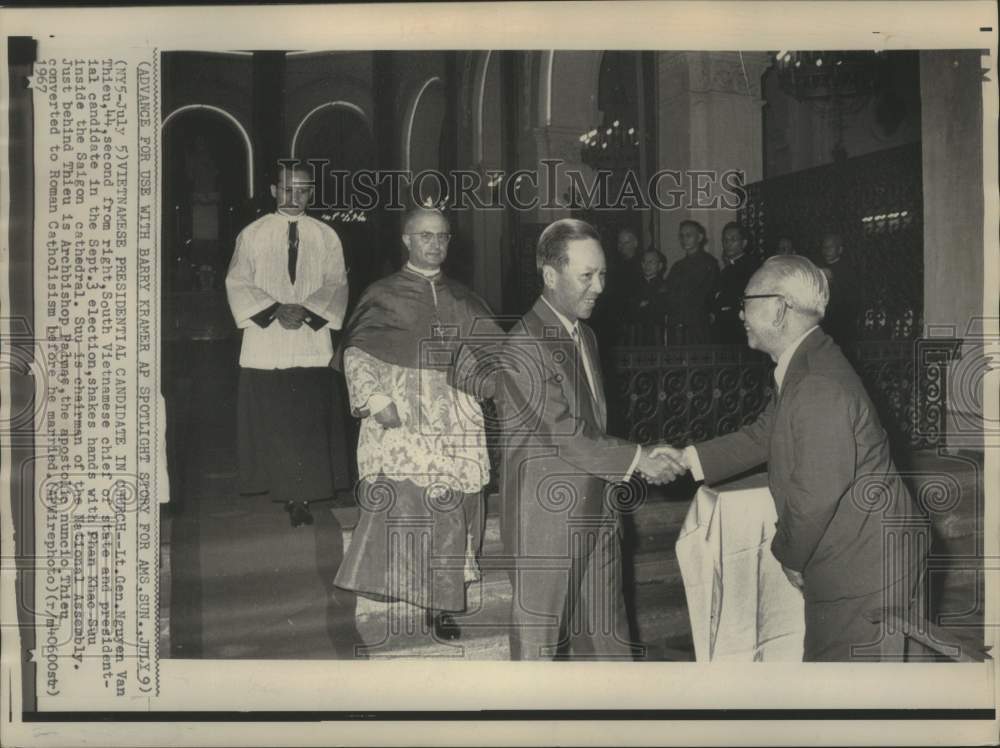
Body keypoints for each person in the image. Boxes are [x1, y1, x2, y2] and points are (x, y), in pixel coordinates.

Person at [655, 255, 924, 661]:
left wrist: (790, 554)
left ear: (779, 309)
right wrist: (688, 458)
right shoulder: (805, 361)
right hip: (862, 557)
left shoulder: (815, 382)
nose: (738, 312)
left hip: (866, 569)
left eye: (746, 301)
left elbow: (816, 495)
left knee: (850, 692)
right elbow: (765, 433)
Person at [498, 218, 685, 661]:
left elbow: (593, 426)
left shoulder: (586, 335)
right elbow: (563, 432)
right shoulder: (524, 343)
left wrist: (638, 454)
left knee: (610, 643)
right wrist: (638, 458)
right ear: (550, 275)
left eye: (603, 274)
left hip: (599, 507)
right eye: (587, 276)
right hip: (545, 521)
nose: (599, 286)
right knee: (537, 653)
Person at [334, 207, 502, 642]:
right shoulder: (382, 293)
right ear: (407, 240)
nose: (435, 244)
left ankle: (440, 604)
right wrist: (375, 399)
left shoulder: (464, 298)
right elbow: (356, 352)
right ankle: (405, 588)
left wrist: (489, 382)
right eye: (425, 236)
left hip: (456, 420)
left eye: (442, 236)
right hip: (403, 418)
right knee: (409, 506)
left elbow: (492, 358)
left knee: (449, 513)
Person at [225, 161, 349, 521]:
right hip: (267, 340)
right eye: (287, 189)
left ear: (312, 192)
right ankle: (282, 488)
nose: (295, 197)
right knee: (275, 418)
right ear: (274, 191)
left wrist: (307, 312)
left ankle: (304, 496)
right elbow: (238, 280)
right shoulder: (252, 234)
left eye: (304, 189)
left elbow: (336, 282)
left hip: (310, 339)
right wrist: (274, 310)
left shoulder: (327, 236)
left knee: (308, 420)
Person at [663, 220, 719, 344]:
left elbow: (706, 293)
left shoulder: (709, 263)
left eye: (689, 235)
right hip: (676, 322)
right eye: (681, 236)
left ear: (699, 237)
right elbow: (667, 290)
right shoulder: (677, 265)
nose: (684, 240)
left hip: (697, 323)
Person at [712, 222, 760, 344]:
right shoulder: (726, 270)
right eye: (725, 240)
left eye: (733, 239)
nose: (728, 244)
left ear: (743, 243)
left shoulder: (752, 266)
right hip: (725, 328)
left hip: (741, 328)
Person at [818, 232, 860, 347]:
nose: (826, 250)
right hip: (822, 323)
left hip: (841, 323)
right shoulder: (818, 267)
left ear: (840, 250)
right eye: (824, 247)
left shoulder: (848, 270)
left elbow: (850, 298)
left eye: (830, 247)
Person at [626, 248, 669, 345]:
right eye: (644, 262)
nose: (647, 265)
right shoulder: (634, 286)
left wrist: (642, 305)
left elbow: (660, 308)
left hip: (656, 335)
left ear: (660, 266)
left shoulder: (665, 286)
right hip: (635, 335)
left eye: (651, 262)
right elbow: (629, 308)